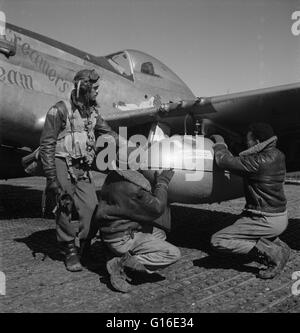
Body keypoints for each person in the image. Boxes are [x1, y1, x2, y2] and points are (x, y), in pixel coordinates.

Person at [40, 69, 119, 272]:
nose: (97, 92)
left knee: (91, 207)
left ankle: (85, 245)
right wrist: (52, 179)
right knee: (64, 204)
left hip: (82, 167)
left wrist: (134, 147)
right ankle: (69, 249)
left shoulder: (93, 114)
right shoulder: (59, 110)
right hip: (61, 162)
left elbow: (109, 132)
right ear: (84, 88)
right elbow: (47, 144)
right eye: (95, 89)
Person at [210, 122, 290, 279]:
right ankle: (277, 244)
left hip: (265, 219)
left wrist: (219, 142)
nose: (246, 143)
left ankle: (273, 254)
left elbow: (223, 161)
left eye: (249, 140)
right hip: (280, 215)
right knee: (240, 227)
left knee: (218, 240)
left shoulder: (257, 161)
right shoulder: (278, 154)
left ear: (258, 142)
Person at [95, 168, 181, 292]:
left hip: (111, 233)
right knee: (173, 254)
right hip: (123, 238)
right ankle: (121, 264)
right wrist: (162, 183)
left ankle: (115, 253)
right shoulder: (134, 188)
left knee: (160, 234)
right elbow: (157, 207)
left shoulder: (112, 177)